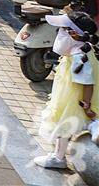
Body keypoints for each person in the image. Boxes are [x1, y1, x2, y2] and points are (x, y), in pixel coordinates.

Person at [34, 11, 99, 170]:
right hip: (72, 98)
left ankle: (59, 157)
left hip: (75, 101)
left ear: (75, 35)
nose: (59, 33)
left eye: (63, 30)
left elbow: (88, 84)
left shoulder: (79, 57)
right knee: (68, 125)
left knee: (65, 126)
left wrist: (87, 106)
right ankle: (94, 125)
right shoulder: (78, 51)